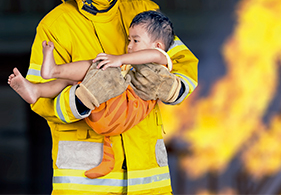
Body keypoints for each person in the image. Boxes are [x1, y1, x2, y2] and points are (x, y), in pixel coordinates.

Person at [24, 0, 198, 195]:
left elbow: (184, 64)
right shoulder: (55, 25)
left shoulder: (145, 11)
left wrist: (171, 86)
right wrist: (80, 99)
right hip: (86, 185)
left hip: (148, 181)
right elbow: (40, 100)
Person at [10, 10, 179, 180]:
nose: (129, 46)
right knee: (81, 79)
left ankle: (55, 70)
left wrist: (119, 59)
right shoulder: (135, 67)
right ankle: (37, 90)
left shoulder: (160, 59)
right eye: (129, 40)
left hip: (122, 111)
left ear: (158, 45)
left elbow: (149, 54)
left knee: (100, 67)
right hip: (110, 118)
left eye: (135, 41)